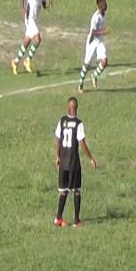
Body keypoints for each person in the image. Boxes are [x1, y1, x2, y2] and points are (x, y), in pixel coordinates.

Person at [54, 97, 97, 228]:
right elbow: (82, 142)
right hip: (73, 163)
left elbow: (58, 139)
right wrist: (90, 157)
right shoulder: (78, 124)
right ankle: (77, 221)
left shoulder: (62, 121)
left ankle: (58, 218)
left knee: (63, 191)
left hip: (63, 162)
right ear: (76, 108)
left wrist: (58, 156)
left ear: (68, 108)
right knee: (77, 190)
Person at [11, 0, 51, 75]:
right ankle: (27, 60)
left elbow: (43, 4)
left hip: (36, 19)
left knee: (27, 42)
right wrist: (23, 9)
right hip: (30, 19)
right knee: (38, 39)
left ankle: (15, 62)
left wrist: (48, 5)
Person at [78, 0, 110, 93]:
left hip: (100, 40)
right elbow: (93, 32)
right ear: (100, 6)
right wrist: (103, 32)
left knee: (105, 61)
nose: (106, 5)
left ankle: (94, 75)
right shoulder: (95, 17)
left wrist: (102, 34)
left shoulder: (103, 14)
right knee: (87, 64)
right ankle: (80, 84)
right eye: (104, 4)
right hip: (92, 42)